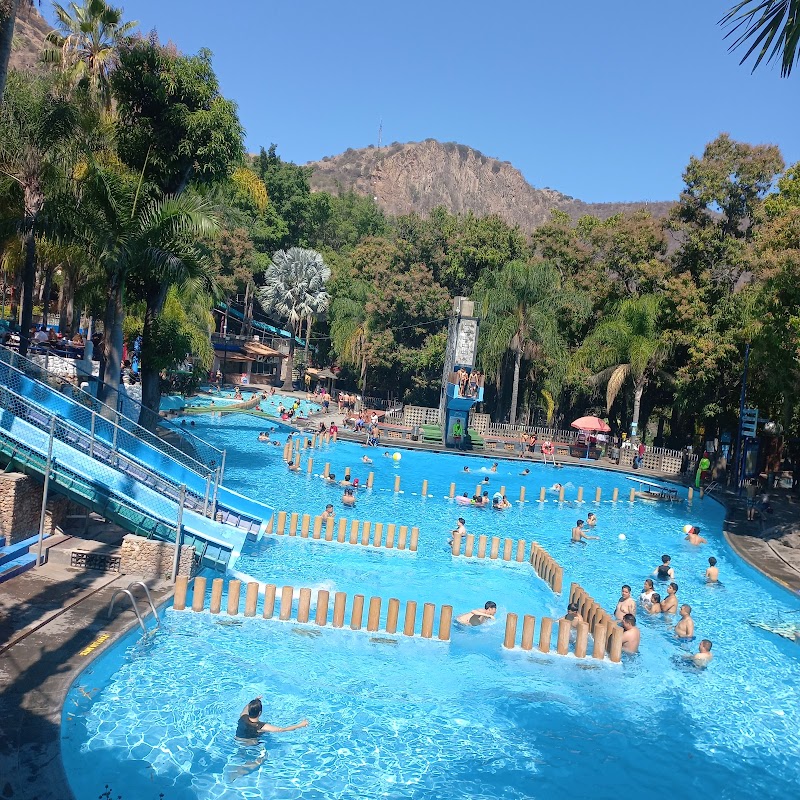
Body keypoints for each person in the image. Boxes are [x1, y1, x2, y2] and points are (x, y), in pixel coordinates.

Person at [235, 697, 308, 742]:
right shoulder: (262, 726)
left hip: (237, 739)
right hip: (250, 744)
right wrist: (300, 725)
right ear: (260, 713)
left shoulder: (243, 717)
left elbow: (246, 708)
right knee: (264, 756)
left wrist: (255, 700)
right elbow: (282, 730)